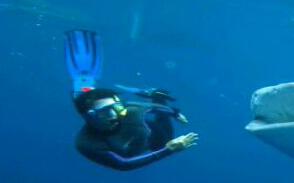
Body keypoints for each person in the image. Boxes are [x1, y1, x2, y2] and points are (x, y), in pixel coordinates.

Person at [65, 29, 198, 171]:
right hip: (140, 142)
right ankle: (82, 87)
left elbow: (155, 107)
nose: (113, 115)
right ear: (90, 116)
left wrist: (174, 113)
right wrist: (168, 150)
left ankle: (156, 94)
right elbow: (124, 164)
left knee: (162, 138)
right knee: (82, 98)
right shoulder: (86, 143)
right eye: (103, 112)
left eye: (116, 107)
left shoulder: (131, 110)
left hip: (149, 132)